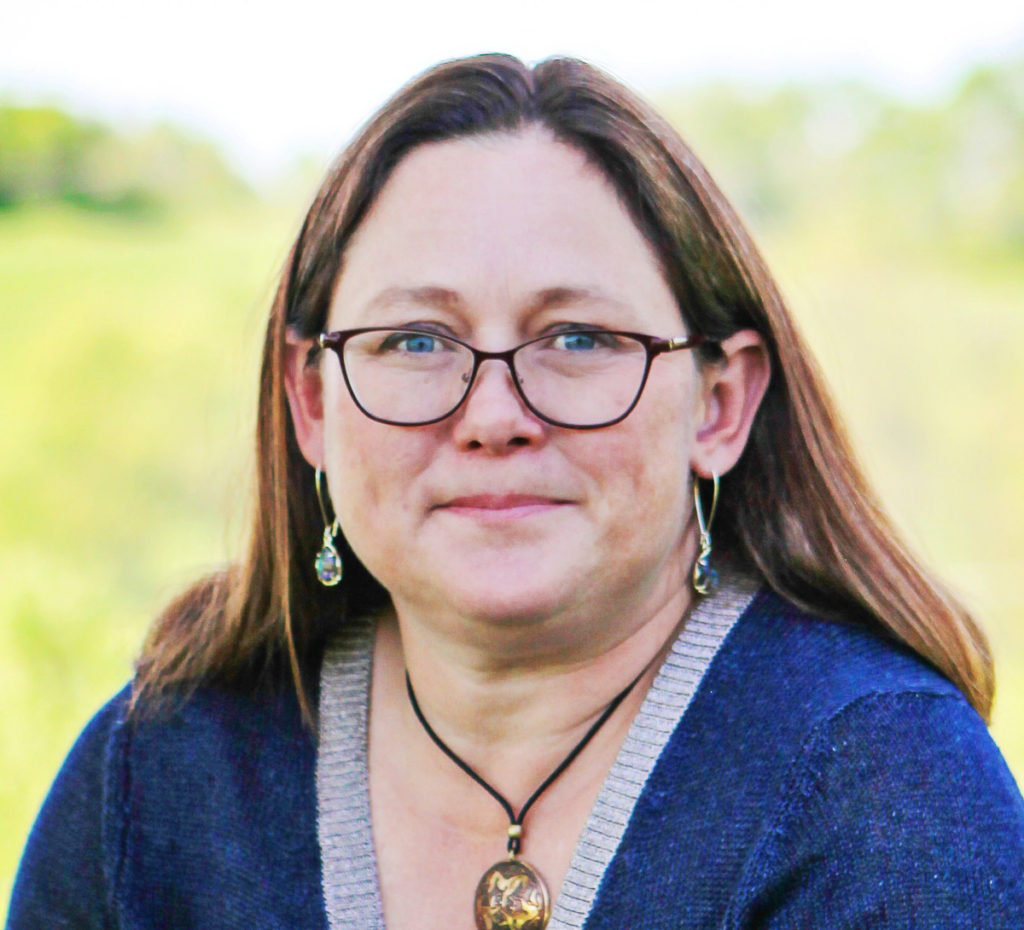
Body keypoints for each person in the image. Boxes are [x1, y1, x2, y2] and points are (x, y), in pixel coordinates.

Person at [8, 53, 1024, 930]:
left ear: (719, 404)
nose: (493, 413)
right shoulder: (155, 779)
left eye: (577, 338)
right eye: (414, 340)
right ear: (311, 402)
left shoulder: (882, 793)